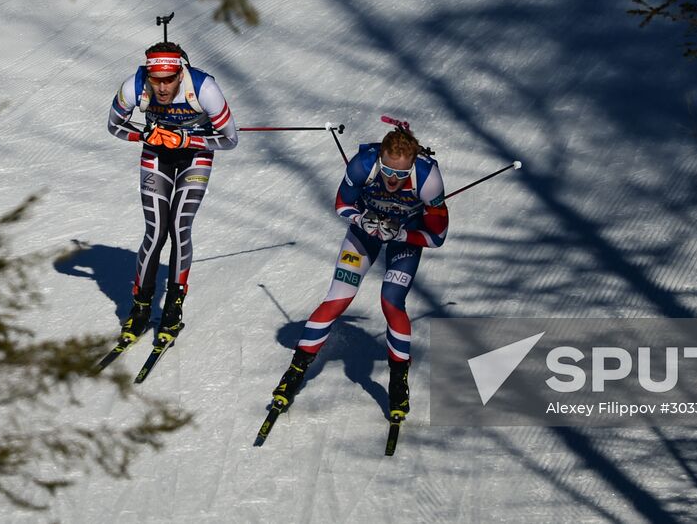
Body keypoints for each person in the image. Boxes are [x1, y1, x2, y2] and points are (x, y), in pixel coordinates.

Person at [268, 122, 449, 422]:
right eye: (387, 171)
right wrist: (362, 220)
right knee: (338, 299)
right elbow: (342, 204)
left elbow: (437, 236)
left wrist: (400, 235)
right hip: (365, 230)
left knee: (391, 300)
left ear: (412, 165)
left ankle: (397, 381)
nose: (392, 180)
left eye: (400, 175)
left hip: (406, 232)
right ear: (380, 160)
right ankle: (296, 369)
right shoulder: (364, 164)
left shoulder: (428, 179)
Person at [107, 40, 238, 344]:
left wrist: (186, 140)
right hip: (156, 153)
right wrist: (143, 133)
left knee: (180, 228)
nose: (163, 88)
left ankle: (173, 307)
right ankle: (140, 307)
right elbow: (113, 126)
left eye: (169, 80)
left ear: (182, 73)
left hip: (196, 154)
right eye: (157, 80)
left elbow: (230, 139)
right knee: (156, 231)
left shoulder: (204, 89)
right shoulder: (134, 86)